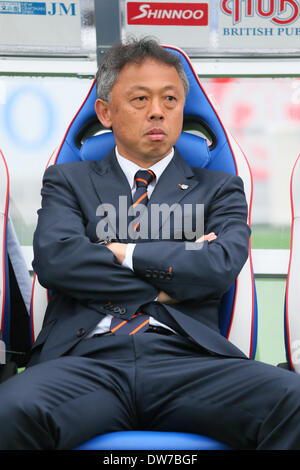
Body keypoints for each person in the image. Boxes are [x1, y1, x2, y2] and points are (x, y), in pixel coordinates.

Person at [0, 37, 300, 451]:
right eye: (140, 98)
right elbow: (57, 261)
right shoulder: (68, 181)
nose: (157, 111)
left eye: (171, 100)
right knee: (9, 409)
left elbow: (219, 265)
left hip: (191, 362)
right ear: (105, 112)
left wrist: (121, 250)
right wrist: (172, 276)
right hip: (86, 362)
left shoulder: (220, 189)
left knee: (295, 401)